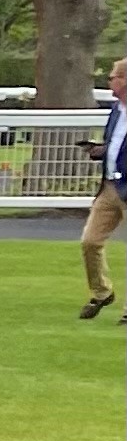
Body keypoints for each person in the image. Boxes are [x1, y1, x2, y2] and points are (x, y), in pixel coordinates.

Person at [83, 55, 126, 322]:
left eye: (113, 77)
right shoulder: (116, 110)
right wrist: (101, 151)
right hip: (110, 187)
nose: (109, 81)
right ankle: (102, 292)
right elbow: (117, 145)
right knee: (90, 242)